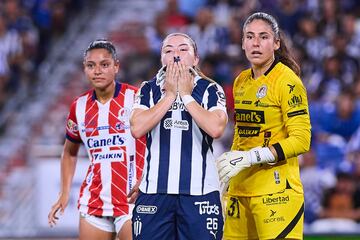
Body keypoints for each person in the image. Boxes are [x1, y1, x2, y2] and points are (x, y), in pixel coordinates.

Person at [216, 12, 311, 239]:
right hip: (240, 191)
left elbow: (301, 139)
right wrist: (230, 176)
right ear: (242, 43)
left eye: (263, 37)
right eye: (249, 37)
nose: (255, 43)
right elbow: (242, 133)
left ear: (276, 43)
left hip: (277, 193)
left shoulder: (287, 81)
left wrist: (252, 157)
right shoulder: (241, 80)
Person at [130, 32, 228, 240]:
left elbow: (216, 128)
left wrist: (185, 94)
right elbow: (137, 128)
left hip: (200, 194)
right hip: (154, 192)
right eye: (168, 50)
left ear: (196, 58)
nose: (175, 55)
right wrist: (169, 96)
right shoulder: (148, 89)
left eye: (183, 49)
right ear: (161, 59)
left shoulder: (210, 89)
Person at [47, 39, 146, 240]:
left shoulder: (136, 98)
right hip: (94, 201)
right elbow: (69, 151)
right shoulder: (79, 106)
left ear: (116, 66)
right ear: (84, 69)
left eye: (104, 64)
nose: (97, 71)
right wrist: (64, 193)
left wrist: (146, 178)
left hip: (132, 201)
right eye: (91, 65)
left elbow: (159, 143)